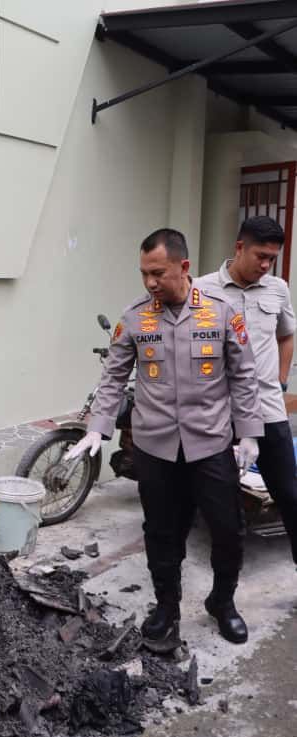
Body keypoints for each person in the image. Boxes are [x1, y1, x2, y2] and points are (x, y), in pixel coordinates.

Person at [68, 229, 263, 650]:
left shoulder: (222, 313)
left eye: (158, 272)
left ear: (184, 267)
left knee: (228, 529)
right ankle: (166, 608)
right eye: (144, 274)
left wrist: (249, 434)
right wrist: (96, 429)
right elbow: (113, 378)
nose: (151, 282)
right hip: (154, 448)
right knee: (161, 532)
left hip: (211, 445)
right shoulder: (136, 317)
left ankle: (222, 602)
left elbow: (245, 377)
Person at [196, 216, 297, 568]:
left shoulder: (277, 289)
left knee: (289, 493)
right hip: (220, 413)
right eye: (260, 255)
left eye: (272, 257)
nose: (266, 265)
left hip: (268, 409)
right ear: (239, 247)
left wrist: (281, 379)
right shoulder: (203, 290)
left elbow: (286, 334)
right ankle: (225, 588)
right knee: (223, 504)